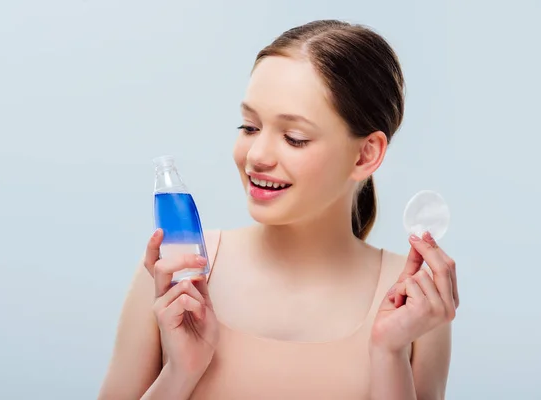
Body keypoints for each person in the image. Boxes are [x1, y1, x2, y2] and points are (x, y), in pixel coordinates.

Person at [98, 19, 459, 400]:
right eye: (249, 127)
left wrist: (390, 354)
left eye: (294, 138)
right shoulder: (175, 273)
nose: (256, 156)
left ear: (366, 154)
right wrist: (180, 373)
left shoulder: (415, 303)